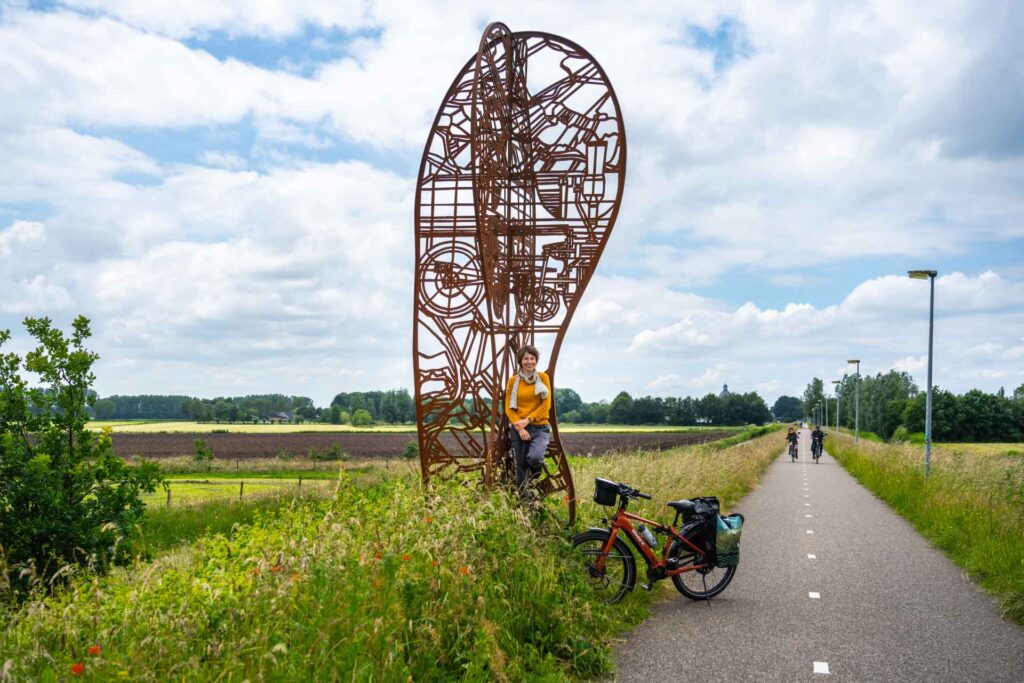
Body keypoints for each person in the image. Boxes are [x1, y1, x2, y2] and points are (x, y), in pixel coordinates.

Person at [504, 344, 552, 497]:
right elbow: (508, 408)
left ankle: (534, 481)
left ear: (536, 360)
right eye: (526, 359)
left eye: (532, 358)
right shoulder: (513, 381)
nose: (529, 361)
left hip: (539, 427)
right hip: (519, 429)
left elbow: (546, 404)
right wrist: (520, 427)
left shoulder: (543, 378)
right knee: (520, 466)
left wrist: (528, 420)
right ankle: (525, 501)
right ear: (520, 361)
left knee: (535, 457)